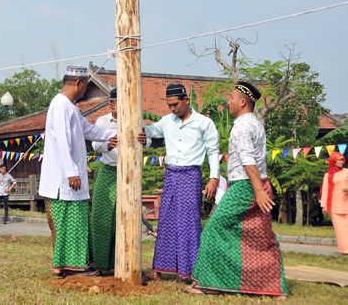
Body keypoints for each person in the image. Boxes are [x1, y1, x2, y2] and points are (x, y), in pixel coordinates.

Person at [188, 81, 287, 298]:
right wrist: (260, 188)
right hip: (256, 184)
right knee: (261, 237)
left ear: (242, 102)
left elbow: (247, 158)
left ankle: (211, 284)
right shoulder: (256, 123)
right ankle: (274, 289)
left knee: (214, 228)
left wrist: (258, 191)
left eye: (231, 97)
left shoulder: (242, 125)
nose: (228, 101)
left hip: (245, 186)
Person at [38, 65, 116, 276]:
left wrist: (112, 136)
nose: (85, 93)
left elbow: (89, 130)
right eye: (85, 88)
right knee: (67, 225)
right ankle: (69, 267)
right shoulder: (60, 105)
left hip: (73, 179)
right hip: (63, 180)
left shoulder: (70, 107)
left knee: (78, 223)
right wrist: (71, 172)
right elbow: (61, 140)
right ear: (79, 84)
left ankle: (77, 264)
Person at [141, 83, 220, 280]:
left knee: (189, 223)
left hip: (191, 176)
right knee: (166, 220)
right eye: (169, 105)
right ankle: (159, 270)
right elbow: (149, 131)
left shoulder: (204, 123)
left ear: (186, 100)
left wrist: (214, 178)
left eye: (175, 104)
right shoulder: (167, 121)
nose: (172, 109)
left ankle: (191, 272)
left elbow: (213, 151)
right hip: (171, 175)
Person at [90, 88, 146, 273]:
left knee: (126, 218)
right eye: (112, 102)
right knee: (101, 218)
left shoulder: (136, 119)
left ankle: (123, 264)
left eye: (118, 102)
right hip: (109, 171)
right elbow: (95, 145)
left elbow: (149, 138)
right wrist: (108, 144)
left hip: (131, 173)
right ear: (111, 104)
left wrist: (146, 140)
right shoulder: (103, 121)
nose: (114, 105)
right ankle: (101, 264)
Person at [320, 152, 348, 254]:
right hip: (335, 206)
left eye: (342, 159)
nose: (341, 162)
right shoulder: (328, 175)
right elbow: (325, 191)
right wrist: (324, 206)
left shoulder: (346, 172)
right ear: (333, 161)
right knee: (340, 229)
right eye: (339, 159)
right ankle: (344, 250)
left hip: (346, 203)